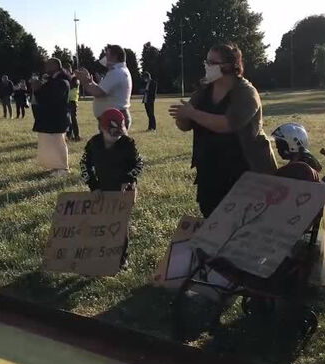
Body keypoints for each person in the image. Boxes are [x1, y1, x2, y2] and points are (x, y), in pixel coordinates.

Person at [169, 43, 278, 217]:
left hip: (244, 171)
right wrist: (182, 117)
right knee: (212, 218)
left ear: (229, 66)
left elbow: (228, 124)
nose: (207, 66)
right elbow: (185, 125)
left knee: (241, 223)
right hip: (209, 170)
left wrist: (192, 113)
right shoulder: (205, 89)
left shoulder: (246, 93)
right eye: (206, 61)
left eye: (212, 62)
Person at [80, 108, 144, 268]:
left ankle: (122, 258)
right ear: (102, 128)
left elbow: (139, 164)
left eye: (119, 131)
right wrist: (93, 186)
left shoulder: (128, 144)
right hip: (102, 190)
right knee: (101, 223)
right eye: (111, 131)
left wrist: (128, 179)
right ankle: (102, 252)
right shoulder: (93, 144)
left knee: (120, 224)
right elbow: (84, 165)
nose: (115, 136)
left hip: (124, 192)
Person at [30, 58, 71, 176]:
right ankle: (54, 166)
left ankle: (62, 168)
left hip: (57, 118)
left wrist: (37, 90)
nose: (45, 68)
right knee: (49, 143)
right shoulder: (52, 80)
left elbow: (50, 99)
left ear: (54, 66)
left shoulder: (62, 81)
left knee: (57, 143)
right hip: (50, 117)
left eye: (47, 65)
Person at [76, 44, 132, 129]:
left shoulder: (115, 72)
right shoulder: (120, 71)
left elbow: (98, 92)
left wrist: (84, 81)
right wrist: (90, 82)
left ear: (114, 56)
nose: (105, 58)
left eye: (107, 55)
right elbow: (102, 89)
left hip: (113, 118)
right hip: (113, 117)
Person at [67, 72, 81, 141]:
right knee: (68, 119)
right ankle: (69, 135)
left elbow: (72, 85)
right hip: (67, 100)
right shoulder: (69, 78)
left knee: (73, 119)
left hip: (72, 101)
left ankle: (76, 135)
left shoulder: (75, 78)